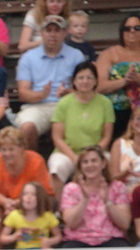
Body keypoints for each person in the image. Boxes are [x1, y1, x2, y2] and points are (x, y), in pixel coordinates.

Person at [58, 146, 133, 250]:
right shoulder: (71, 188)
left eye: (94, 160)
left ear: (103, 164)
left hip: (110, 239)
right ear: (80, 166)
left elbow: (125, 223)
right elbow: (71, 223)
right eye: (85, 162)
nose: (90, 165)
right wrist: (84, 200)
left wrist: (107, 202)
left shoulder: (117, 187)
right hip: (79, 240)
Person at [14, 15, 85, 151]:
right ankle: (32, 167)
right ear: (41, 32)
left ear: (65, 33)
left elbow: (86, 88)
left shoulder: (77, 56)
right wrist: (42, 94)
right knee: (27, 128)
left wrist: (70, 92)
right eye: (49, 30)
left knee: (84, 125)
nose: (52, 34)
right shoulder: (28, 58)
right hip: (38, 105)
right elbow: (23, 93)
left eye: (57, 31)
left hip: (69, 104)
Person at [48, 61, 114, 198]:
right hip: (68, 152)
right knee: (56, 168)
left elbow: (107, 136)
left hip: (96, 151)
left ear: (96, 81)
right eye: (81, 78)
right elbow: (57, 137)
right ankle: (62, 210)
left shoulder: (105, 103)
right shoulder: (64, 103)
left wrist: (93, 154)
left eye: (89, 77)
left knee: (110, 163)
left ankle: (105, 204)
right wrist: (75, 158)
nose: (85, 81)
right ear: (74, 81)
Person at [0, 127, 55, 217]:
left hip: (31, 203)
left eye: (11, 149)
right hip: (5, 205)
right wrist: (6, 202)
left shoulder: (36, 161)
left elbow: (41, 192)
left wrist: (18, 203)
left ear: (22, 148)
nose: (7, 154)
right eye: (3, 149)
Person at [0, 181, 62, 250]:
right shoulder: (14, 215)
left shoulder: (48, 216)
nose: (28, 197)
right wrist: (15, 236)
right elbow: (2, 238)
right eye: (25, 194)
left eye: (33, 195)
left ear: (40, 198)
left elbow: (58, 237)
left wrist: (49, 241)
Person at [96, 14, 140, 139]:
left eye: (137, 28)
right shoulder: (109, 54)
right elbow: (99, 86)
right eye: (128, 28)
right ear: (122, 32)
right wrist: (124, 81)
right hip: (116, 110)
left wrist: (137, 79)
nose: (132, 31)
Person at [109, 105, 140, 223]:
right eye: (138, 118)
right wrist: (126, 173)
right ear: (131, 122)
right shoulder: (119, 144)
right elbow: (112, 177)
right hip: (123, 194)